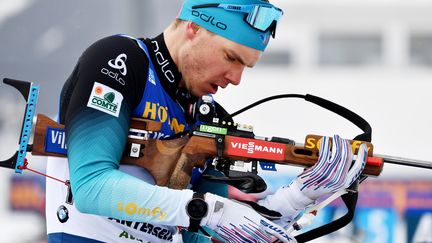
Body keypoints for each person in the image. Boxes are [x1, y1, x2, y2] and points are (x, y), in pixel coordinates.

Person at [45, 0, 368, 242]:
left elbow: (207, 236)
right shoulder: (122, 59)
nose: (236, 79)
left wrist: (296, 198)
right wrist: (213, 209)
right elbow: (91, 189)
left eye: (246, 67)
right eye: (231, 57)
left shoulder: (208, 116)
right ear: (193, 27)